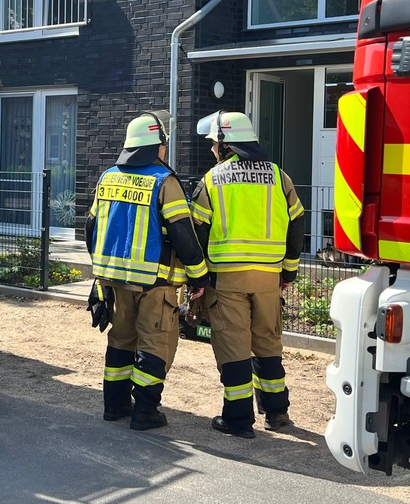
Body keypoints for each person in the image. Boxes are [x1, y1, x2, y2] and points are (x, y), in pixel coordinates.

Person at [85, 111, 209, 431]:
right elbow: (182, 232)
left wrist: (99, 276)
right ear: (157, 146)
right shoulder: (163, 181)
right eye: (164, 145)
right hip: (155, 282)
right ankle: (145, 412)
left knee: (121, 340)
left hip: (115, 279)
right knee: (154, 345)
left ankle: (114, 406)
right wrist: (198, 275)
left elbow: (91, 227)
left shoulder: (108, 176)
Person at [190, 110, 305, 439]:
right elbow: (297, 223)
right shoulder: (279, 176)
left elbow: (197, 230)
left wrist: (198, 279)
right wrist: (289, 271)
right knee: (268, 342)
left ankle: (239, 419)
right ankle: (276, 412)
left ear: (226, 145)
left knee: (234, 346)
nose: (212, 149)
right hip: (269, 276)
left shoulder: (212, 179)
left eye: (214, 143)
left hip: (227, 279)